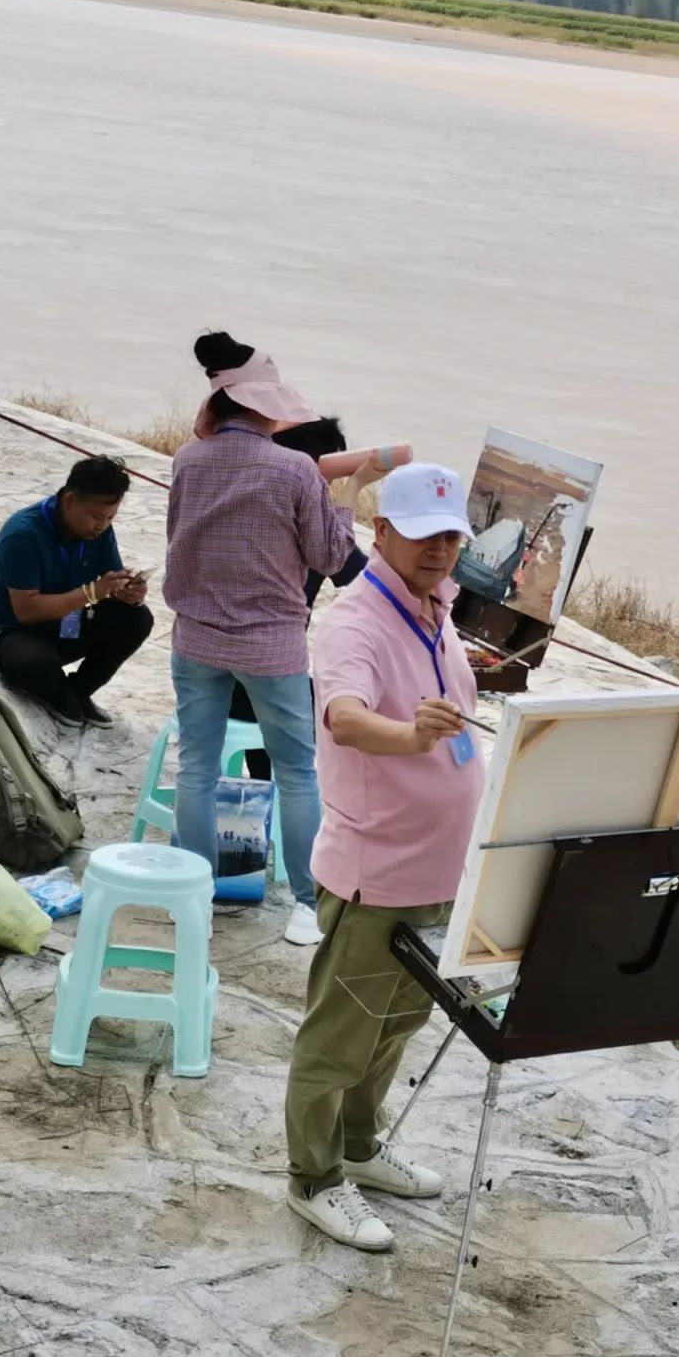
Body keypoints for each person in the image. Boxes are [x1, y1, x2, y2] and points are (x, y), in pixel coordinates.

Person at [284, 461, 484, 1251]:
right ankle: (312, 1174)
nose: (441, 549)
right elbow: (344, 716)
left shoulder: (438, 608)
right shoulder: (354, 621)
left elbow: (447, 701)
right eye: (424, 533)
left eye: (452, 536)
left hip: (437, 869)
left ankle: (361, 1149)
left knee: (397, 1024)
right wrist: (413, 737)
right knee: (340, 1035)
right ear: (381, 532)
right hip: (377, 873)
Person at [165, 332, 385, 946]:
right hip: (271, 645)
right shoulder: (293, 470)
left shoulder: (188, 459)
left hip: (196, 637)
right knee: (297, 773)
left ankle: (197, 894)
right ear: (267, 404)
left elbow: (178, 537)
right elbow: (331, 554)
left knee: (197, 771)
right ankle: (307, 904)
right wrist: (348, 495)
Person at [230, 415, 368, 781]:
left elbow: (361, 577)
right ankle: (277, 796)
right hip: (260, 679)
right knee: (343, 716)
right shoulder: (317, 532)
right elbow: (368, 584)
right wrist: (353, 491)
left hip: (204, 671)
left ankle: (264, 792)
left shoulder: (239, 503)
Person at [0, 455, 152, 728]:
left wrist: (126, 592)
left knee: (137, 618)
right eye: (96, 516)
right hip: (13, 632)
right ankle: (56, 692)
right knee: (32, 664)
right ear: (69, 501)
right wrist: (93, 592)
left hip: (66, 624)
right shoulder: (23, 534)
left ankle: (79, 690)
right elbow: (26, 611)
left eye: (110, 517)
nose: (102, 525)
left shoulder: (99, 531)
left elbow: (106, 584)